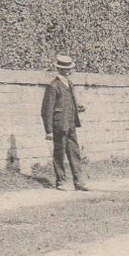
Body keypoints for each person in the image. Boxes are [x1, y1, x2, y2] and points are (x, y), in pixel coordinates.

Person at [41, 53, 89, 191]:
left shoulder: (70, 84)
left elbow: (68, 102)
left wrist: (78, 107)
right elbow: (46, 110)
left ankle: (78, 181)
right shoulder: (53, 86)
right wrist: (48, 131)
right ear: (60, 70)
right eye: (67, 68)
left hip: (71, 124)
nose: (70, 70)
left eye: (70, 68)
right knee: (59, 153)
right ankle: (60, 181)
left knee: (74, 152)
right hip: (59, 125)